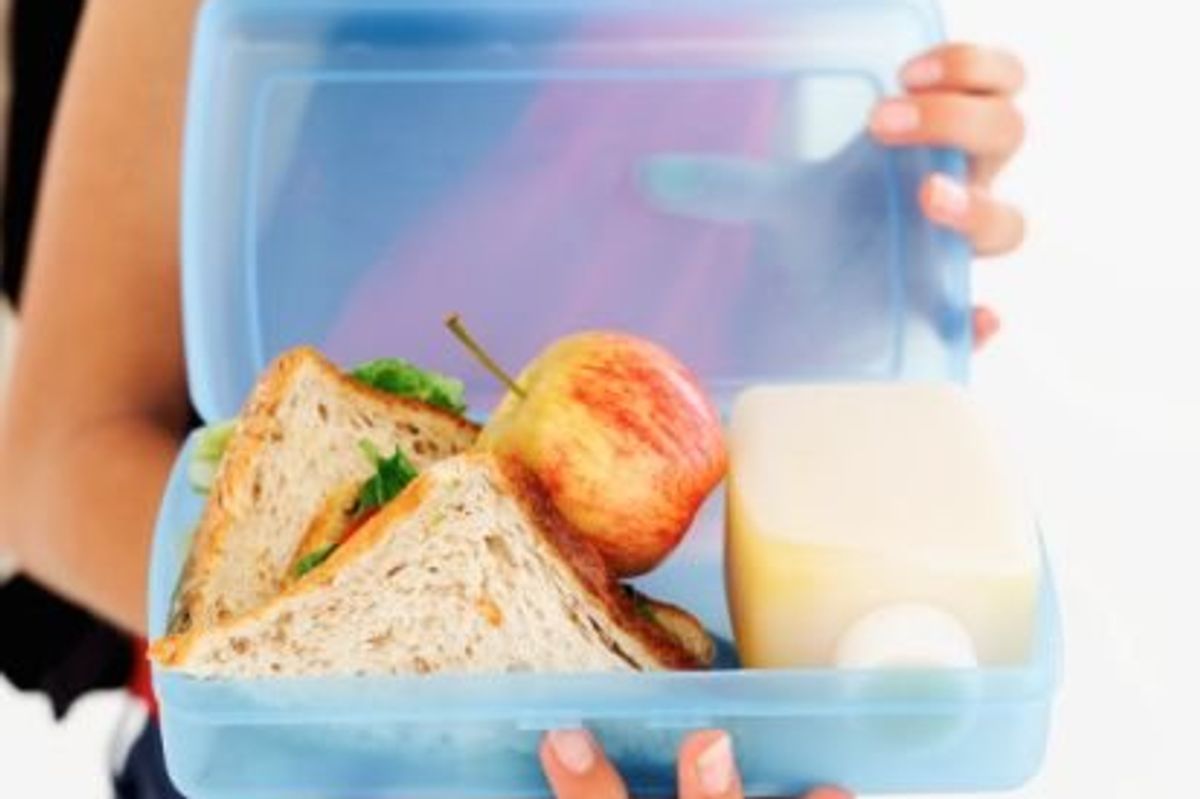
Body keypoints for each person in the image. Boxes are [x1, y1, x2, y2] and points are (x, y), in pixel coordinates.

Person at [0, 1, 1026, 797]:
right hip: (299, 761)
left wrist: (842, 265)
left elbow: (672, 320)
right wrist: (427, 691)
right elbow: (55, 465)